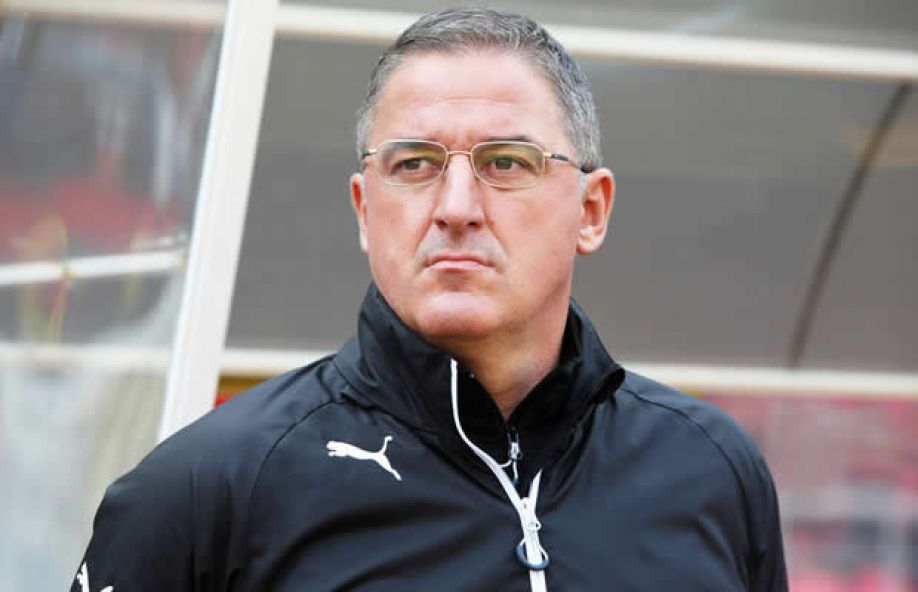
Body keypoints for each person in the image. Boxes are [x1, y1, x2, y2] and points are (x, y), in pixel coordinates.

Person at [72, 8, 787, 591]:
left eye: (506, 162)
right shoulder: (207, 489)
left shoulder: (711, 470)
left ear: (591, 211)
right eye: (414, 163)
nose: (456, 207)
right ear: (364, 209)